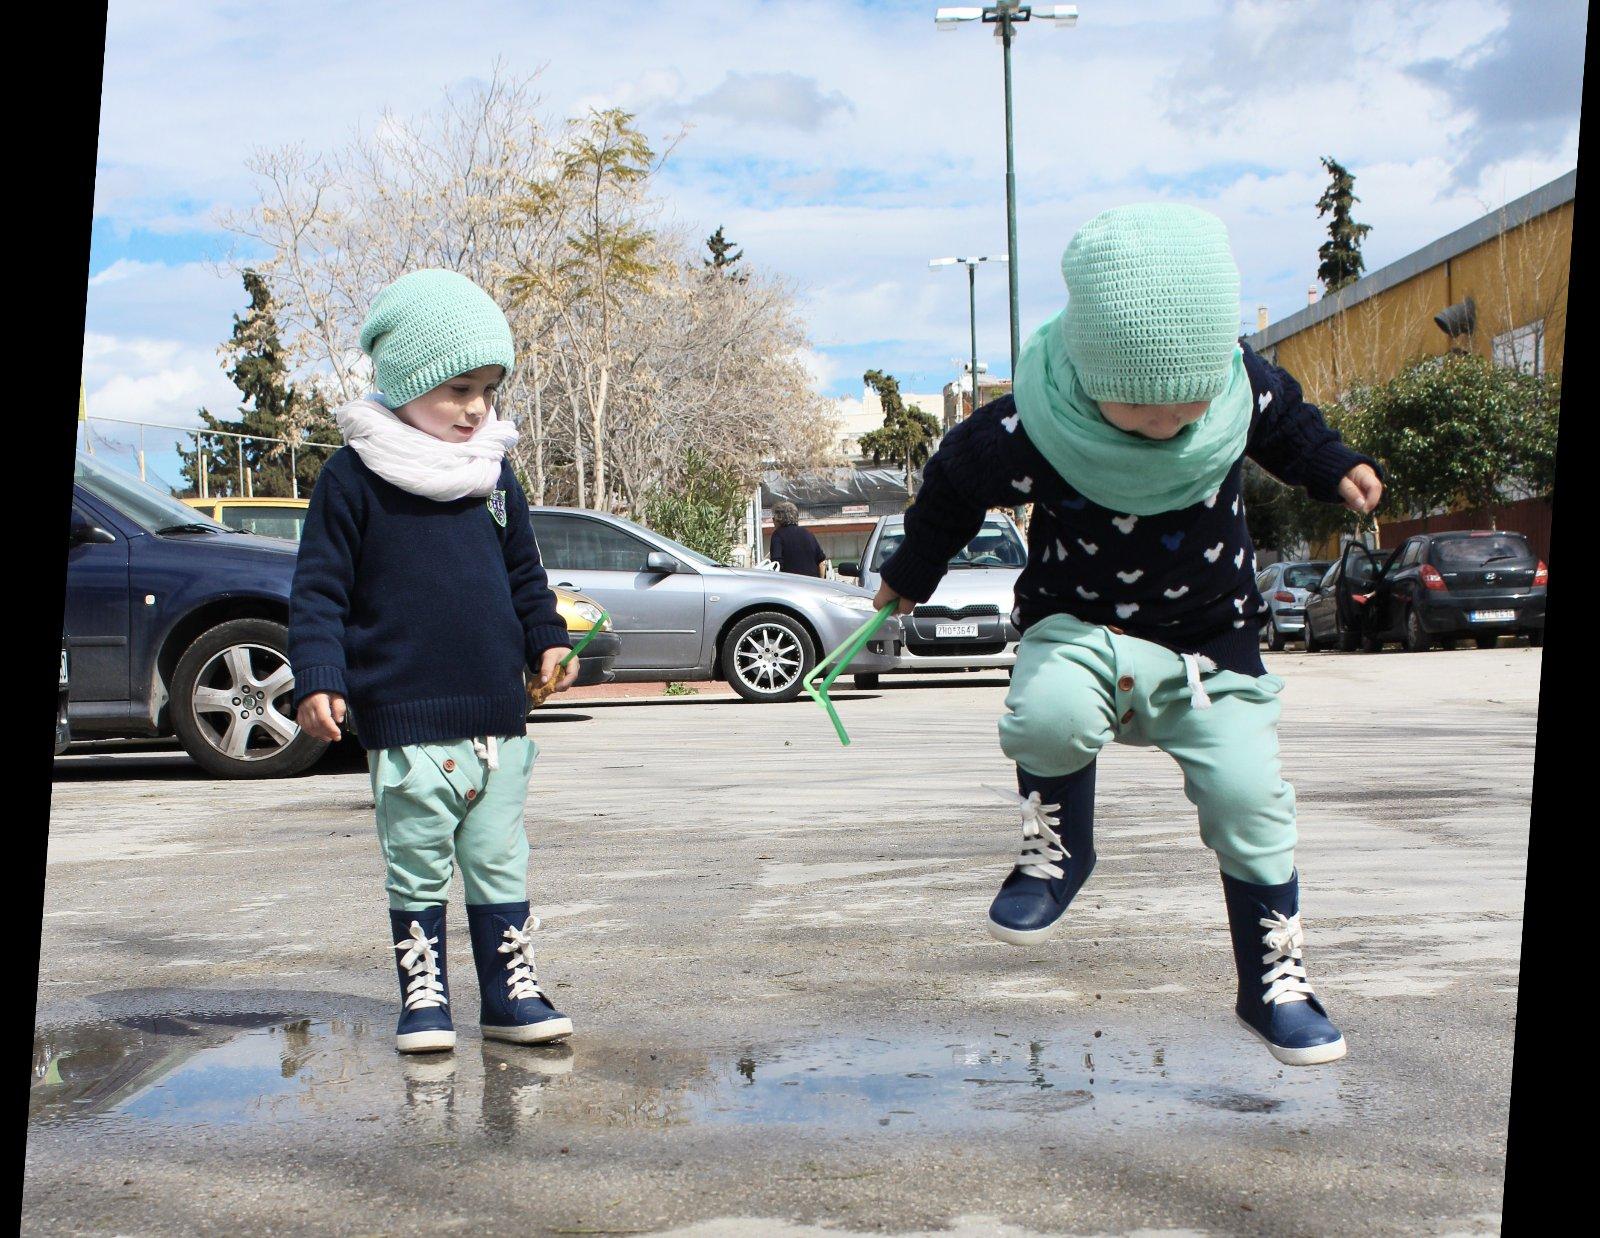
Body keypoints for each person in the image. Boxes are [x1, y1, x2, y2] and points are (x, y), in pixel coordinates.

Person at [872, 204, 1384, 1066]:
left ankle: (1273, 982)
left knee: (1251, 801)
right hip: (1082, 626)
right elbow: (953, 484)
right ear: (1086, 363)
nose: (1166, 424)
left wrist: (1337, 466)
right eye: (1140, 408)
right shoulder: (1035, 422)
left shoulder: (1242, 387)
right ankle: (1058, 854)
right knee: (1045, 713)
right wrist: (908, 575)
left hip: (1212, 643)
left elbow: (1292, 423)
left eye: (1188, 405)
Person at [289, 268, 578, 1054]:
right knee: (417, 867)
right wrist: (319, 677)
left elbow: (524, 573)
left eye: (488, 389)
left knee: (498, 860)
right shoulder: (354, 477)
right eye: (458, 389)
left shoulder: (492, 475)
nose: (477, 408)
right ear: (407, 380)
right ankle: (425, 996)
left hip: (496, 718)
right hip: (406, 718)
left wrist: (548, 638)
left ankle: (509, 996)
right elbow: (319, 591)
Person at [768, 501, 828, 576]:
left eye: (774, 518)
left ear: (779, 518)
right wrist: (821, 580)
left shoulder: (778, 535)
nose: (773, 520)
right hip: (812, 581)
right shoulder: (808, 533)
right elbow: (821, 563)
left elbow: (776, 563)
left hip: (791, 581)